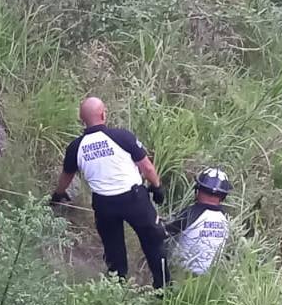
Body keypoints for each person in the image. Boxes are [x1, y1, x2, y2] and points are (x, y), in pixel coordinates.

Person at [51, 97, 170, 289]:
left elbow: (66, 177)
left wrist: (58, 195)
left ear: (81, 119)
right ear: (103, 114)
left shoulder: (76, 147)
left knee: (113, 249)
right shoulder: (122, 136)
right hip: (134, 199)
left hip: (104, 203)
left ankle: (117, 288)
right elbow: (146, 167)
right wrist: (157, 187)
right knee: (152, 241)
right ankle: (163, 287)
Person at [164, 167, 231, 275]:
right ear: (223, 196)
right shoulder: (225, 219)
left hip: (181, 274)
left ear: (198, 189)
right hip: (208, 279)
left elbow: (163, 233)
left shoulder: (190, 214)